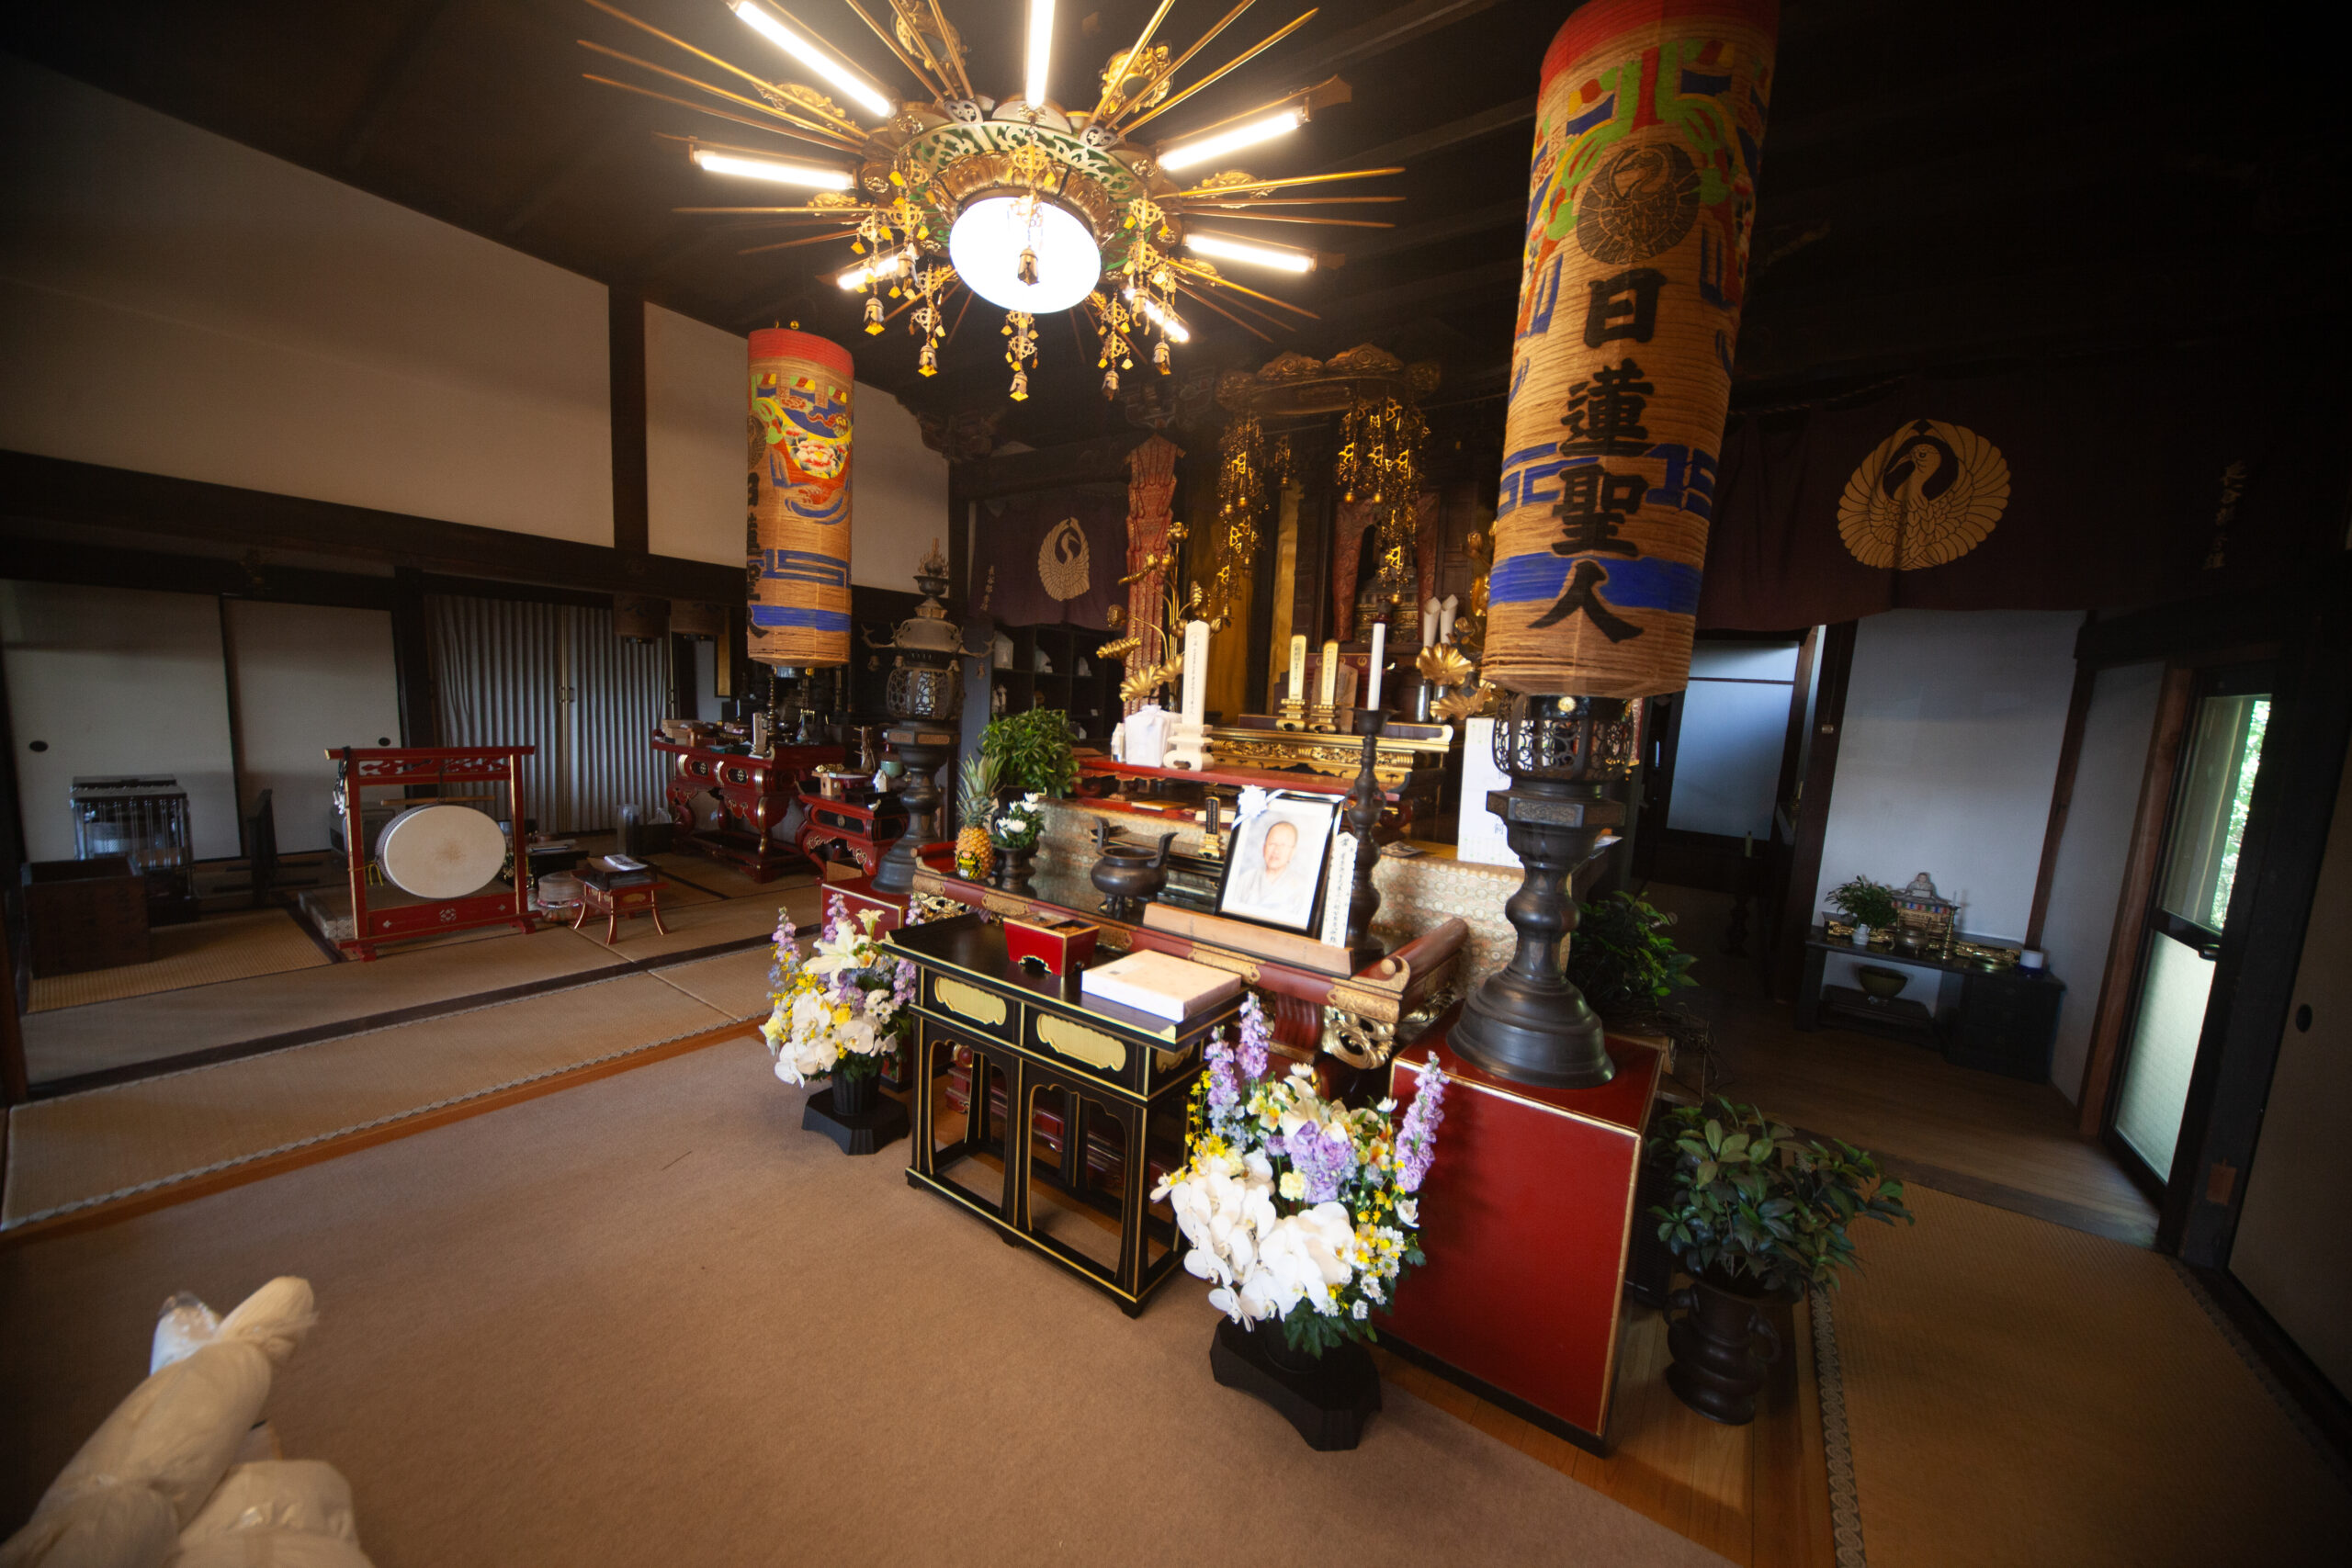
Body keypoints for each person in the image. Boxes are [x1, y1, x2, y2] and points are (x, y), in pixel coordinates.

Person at [1226, 817, 1314, 926]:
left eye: (1283, 845)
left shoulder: (1302, 889)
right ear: (1264, 848)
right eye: (1272, 844)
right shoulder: (1245, 879)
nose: (1276, 851)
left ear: (1292, 852)